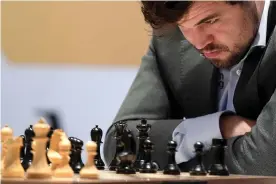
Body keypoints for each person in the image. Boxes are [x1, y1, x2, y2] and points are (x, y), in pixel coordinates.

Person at [103, 0, 276, 175]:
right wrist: (220, 127)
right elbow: (119, 145)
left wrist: (174, 157)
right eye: (183, 26)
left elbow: (264, 164)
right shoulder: (170, 37)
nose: (199, 43)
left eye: (210, 21)